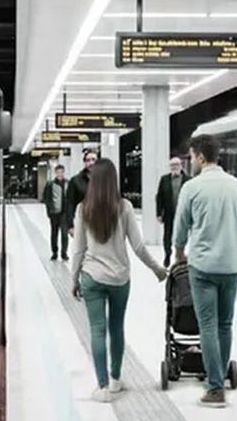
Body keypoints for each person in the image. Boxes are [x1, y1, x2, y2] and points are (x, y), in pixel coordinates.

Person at [70, 158, 167, 402]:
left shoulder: (83, 209)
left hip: (91, 276)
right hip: (119, 279)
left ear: (93, 181)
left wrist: (74, 278)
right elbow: (138, 246)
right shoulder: (124, 206)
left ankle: (101, 387)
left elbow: (78, 248)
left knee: (97, 330)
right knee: (116, 327)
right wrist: (157, 269)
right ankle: (115, 379)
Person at [173, 134, 237, 408]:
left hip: (202, 266)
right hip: (230, 265)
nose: (191, 161)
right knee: (225, 324)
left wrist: (179, 253)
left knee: (207, 325)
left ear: (201, 157)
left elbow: (181, 228)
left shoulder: (192, 188)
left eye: (192, 156)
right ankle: (220, 375)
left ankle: (215, 387)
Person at [156, 156, 187, 267]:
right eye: (172, 165)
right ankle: (167, 255)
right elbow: (159, 197)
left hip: (183, 214)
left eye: (176, 165)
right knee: (167, 236)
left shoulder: (188, 180)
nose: (174, 167)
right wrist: (159, 213)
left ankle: (180, 256)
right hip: (169, 213)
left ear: (181, 166)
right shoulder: (164, 179)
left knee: (182, 235)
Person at [64, 149, 96, 237]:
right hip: (82, 224)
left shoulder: (104, 180)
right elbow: (70, 204)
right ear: (84, 163)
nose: (91, 163)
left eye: (93, 160)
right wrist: (70, 226)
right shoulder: (75, 181)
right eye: (88, 160)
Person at [42, 164, 70, 260]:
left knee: (64, 234)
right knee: (54, 233)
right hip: (54, 213)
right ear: (55, 173)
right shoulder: (50, 184)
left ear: (64, 172)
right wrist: (49, 210)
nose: (60, 174)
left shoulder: (68, 183)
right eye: (58, 172)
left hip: (65, 213)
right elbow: (46, 197)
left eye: (61, 172)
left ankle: (64, 253)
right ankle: (54, 252)